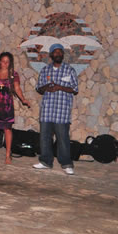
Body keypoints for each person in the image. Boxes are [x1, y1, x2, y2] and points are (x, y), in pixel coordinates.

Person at [33, 43, 79, 174]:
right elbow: (39, 88)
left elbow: (75, 89)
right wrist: (46, 87)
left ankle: (66, 164)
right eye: (55, 52)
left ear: (63, 55)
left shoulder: (69, 70)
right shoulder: (45, 70)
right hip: (47, 110)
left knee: (63, 138)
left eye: (60, 52)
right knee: (45, 137)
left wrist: (60, 87)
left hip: (61, 111)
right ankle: (46, 161)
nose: (58, 54)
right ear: (51, 55)